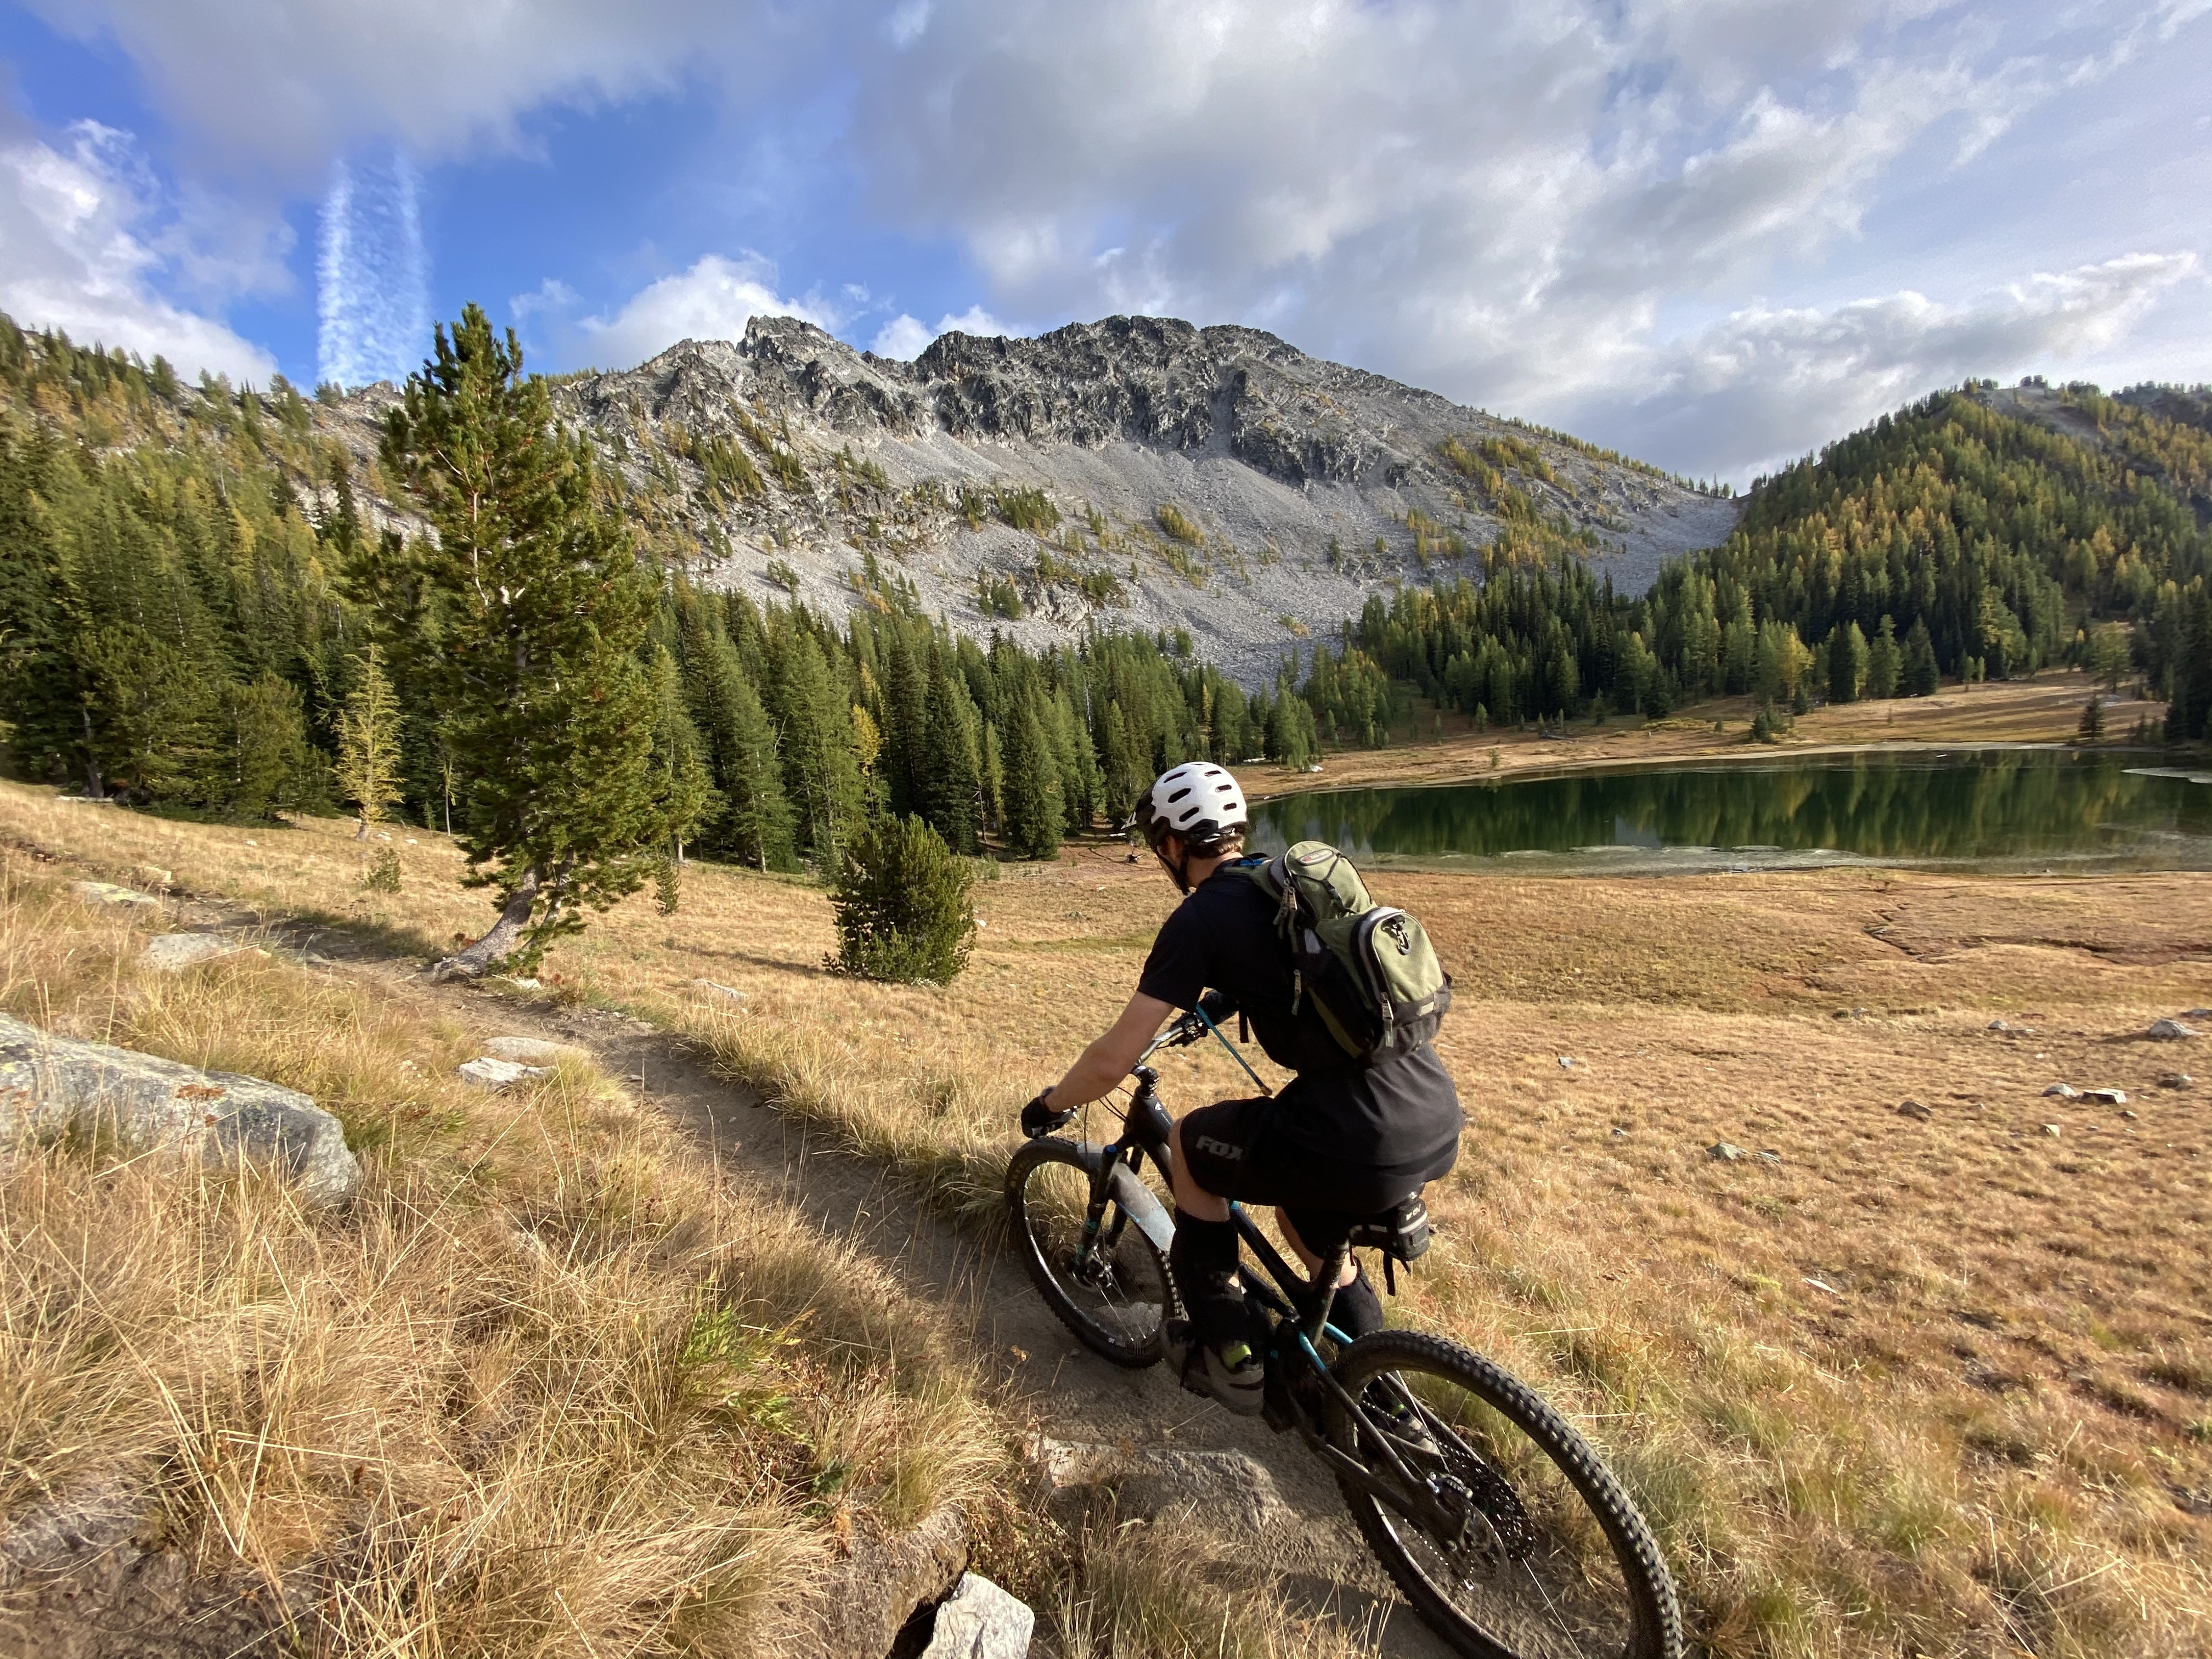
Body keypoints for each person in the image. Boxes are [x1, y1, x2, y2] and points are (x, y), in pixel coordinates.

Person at [1022, 761, 1464, 1413]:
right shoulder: (1285, 885)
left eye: (1159, 846)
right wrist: (1232, 997)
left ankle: (1230, 1353)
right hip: (1431, 1106)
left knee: (1191, 1147)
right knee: (1300, 1217)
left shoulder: (1200, 919)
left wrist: (1051, 1103)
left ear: (1174, 844)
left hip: (1352, 1131)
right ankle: (1376, 1389)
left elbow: (1113, 1059)